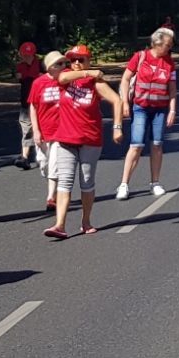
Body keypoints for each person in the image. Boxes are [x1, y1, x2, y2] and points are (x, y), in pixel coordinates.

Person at [38, 48, 120, 237]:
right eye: (72, 60)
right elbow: (61, 79)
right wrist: (87, 72)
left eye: (80, 60)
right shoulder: (68, 76)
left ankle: (86, 221)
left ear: (88, 60)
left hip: (90, 139)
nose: (75, 63)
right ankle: (59, 225)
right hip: (66, 138)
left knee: (86, 182)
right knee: (65, 182)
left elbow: (117, 100)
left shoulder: (95, 84)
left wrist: (117, 127)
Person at [115, 29, 177, 198]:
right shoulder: (140, 57)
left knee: (157, 144)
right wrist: (125, 103)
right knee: (136, 145)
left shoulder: (169, 62)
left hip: (160, 109)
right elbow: (125, 79)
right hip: (140, 107)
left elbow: (172, 89)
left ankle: (155, 182)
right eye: (168, 44)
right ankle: (124, 184)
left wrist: (172, 109)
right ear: (158, 43)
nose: (170, 46)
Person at [14, 40, 44, 170]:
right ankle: (24, 157)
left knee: (41, 129)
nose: (25, 57)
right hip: (26, 102)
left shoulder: (42, 65)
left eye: (28, 54)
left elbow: (44, 79)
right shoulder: (20, 66)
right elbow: (19, 77)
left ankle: (41, 156)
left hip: (42, 102)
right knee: (26, 129)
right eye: (23, 54)